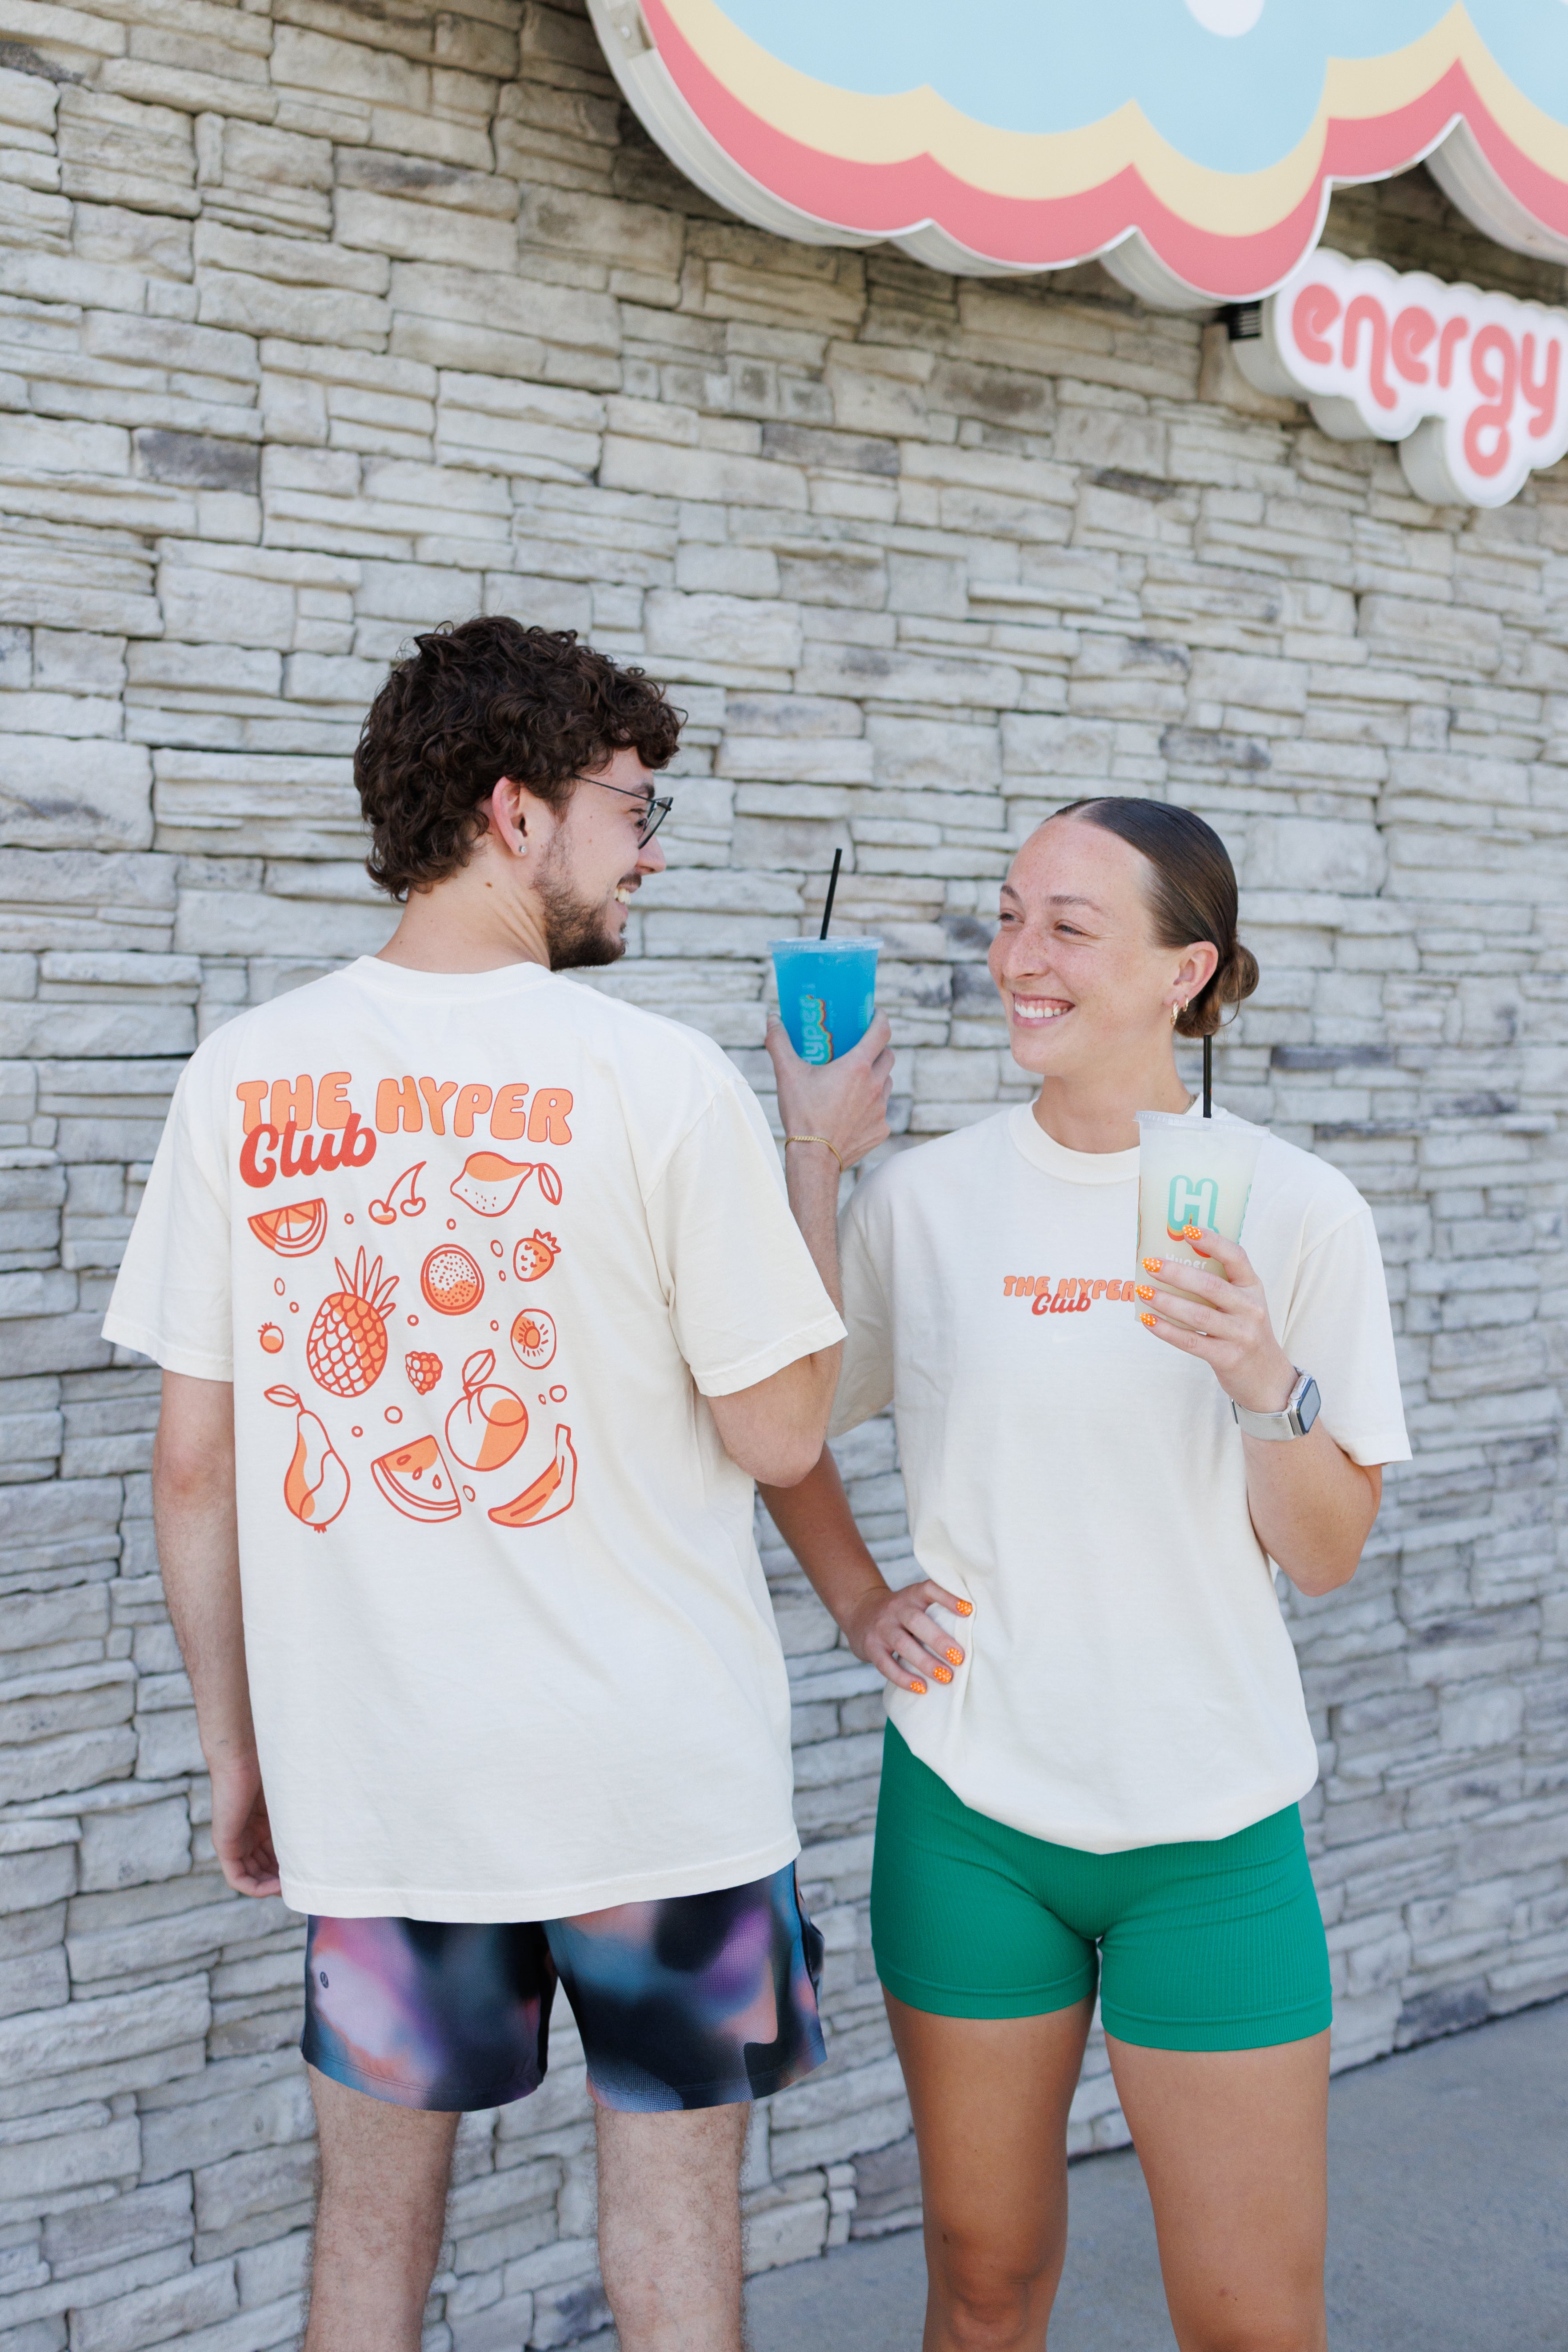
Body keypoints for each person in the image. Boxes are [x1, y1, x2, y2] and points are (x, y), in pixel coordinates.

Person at [104, 617, 893, 2352]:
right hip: (660, 1796)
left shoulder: (243, 1075)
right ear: (515, 811)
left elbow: (193, 1466)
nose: (650, 851)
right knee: (673, 2241)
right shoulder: (660, 1079)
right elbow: (781, 1429)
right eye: (632, 806)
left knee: (368, 2246)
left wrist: (242, 1753)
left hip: (381, 1786)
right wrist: (817, 1154)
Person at [762, 798, 1410, 2352]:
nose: (1018, 958)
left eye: (1068, 927)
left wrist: (1262, 1379)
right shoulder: (925, 1202)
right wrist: (857, 1595)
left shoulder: (1296, 1208)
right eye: (1008, 917)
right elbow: (781, 1418)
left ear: (1189, 970)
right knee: (985, 2285)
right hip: (972, 1813)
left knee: (1252, 2319)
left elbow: (1325, 1555)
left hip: (1213, 1830)